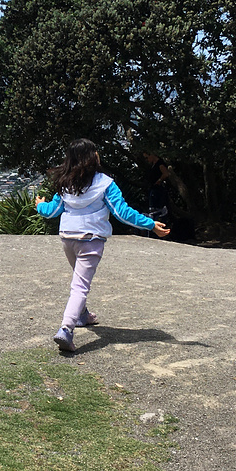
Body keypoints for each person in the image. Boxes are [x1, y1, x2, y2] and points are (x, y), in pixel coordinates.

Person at [36, 138, 169, 352]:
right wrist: (150, 223)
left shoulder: (65, 182)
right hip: (91, 239)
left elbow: (52, 211)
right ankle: (66, 329)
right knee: (80, 285)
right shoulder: (105, 183)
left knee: (78, 279)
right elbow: (121, 213)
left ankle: (82, 314)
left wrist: (40, 205)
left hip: (67, 238)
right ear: (91, 157)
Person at [141, 151, 171, 223]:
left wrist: (159, 181)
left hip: (157, 189)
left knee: (156, 209)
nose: (147, 160)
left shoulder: (160, 164)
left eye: (147, 157)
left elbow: (166, 173)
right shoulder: (153, 165)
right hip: (153, 188)